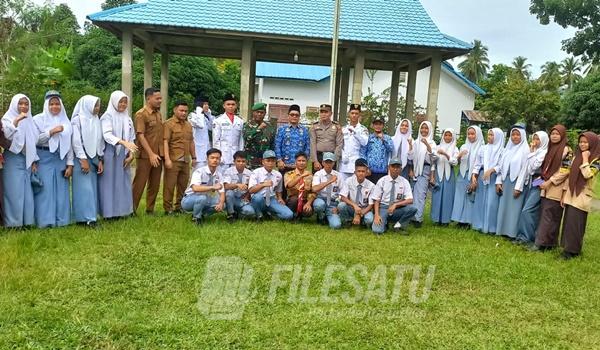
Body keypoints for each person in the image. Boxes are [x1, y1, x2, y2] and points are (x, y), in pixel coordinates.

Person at [32, 90, 73, 228]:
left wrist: (70, 163)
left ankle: (62, 221)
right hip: (44, 156)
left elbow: (70, 145)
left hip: (60, 158)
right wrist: (51, 132)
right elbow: (34, 140)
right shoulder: (38, 119)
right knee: (45, 189)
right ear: (46, 105)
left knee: (62, 190)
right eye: (51, 104)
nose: (55, 107)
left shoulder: (66, 121)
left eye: (57, 104)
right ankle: (45, 221)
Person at [557, 132, 599, 259]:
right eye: (581, 142)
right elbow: (569, 175)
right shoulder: (576, 156)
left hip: (582, 194)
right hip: (571, 192)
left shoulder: (597, 159)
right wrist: (564, 193)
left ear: (592, 143)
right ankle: (567, 248)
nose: (582, 144)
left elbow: (587, 175)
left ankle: (573, 251)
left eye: (585, 142)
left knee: (576, 223)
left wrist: (586, 159)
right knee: (568, 222)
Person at [531, 125, 571, 251]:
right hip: (545, 186)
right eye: (552, 134)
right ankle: (548, 243)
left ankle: (541, 244)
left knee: (551, 215)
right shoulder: (550, 148)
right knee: (545, 214)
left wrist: (550, 181)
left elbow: (565, 170)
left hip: (556, 187)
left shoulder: (567, 151)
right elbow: (545, 167)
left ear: (563, 135)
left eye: (557, 134)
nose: (554, 136)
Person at [99, 91, 138, 219]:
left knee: (123, 182)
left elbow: (132, 138)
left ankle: (123, 211)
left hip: (123, 154)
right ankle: (109, 213)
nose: (123, 104)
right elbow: (107, 135)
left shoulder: (127, 118)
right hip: (110, 153)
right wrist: (123, 142)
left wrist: (131, 155)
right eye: (120, 102)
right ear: (114, 102)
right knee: (109, 182)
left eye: (125, 102)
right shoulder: (107, 117)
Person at [1, 94, 38, 228]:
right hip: (12, 158)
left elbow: (34, 141)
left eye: (26, 104)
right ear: (14, 104)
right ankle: (13, 223)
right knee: (13, 191)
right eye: (20, 103)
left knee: (26, 191)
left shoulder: (30, 120)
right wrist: (16, 120)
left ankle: (26, 222)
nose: (23, 106)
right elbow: (6, 135)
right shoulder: (7, 118)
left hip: (26, 159)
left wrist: (33, 160)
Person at [71, 95, 104, 226]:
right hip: (81, 158)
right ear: (87, 105)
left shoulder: (96, 119)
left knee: (91, 188)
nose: (97, 108)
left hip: (94, 157)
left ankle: (89, 217)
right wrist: (82, 158)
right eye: (95, 105)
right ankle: (86, 219)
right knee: (84, 189)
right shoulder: (77, 120)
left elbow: (100, 140)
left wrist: (100, 158)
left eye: (98, 105)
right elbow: (76, 141)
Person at [132, 87, 164, 215]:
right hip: (145, 155)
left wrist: (158, 154)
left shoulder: (158, 114)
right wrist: (151, 154)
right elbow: (140, 135)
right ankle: (132, 209)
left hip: (158, 154)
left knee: (155, 184)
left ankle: (150, 209)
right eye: (157, 98)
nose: (160, 101)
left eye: (160, 98)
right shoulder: (141, 114)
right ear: (148, 98)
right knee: (139, 183)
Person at [514, 131, 549, 244]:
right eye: (534, 138)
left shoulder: (544, 152)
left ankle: (526, 237)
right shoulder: (536, 151)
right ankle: (522, 236)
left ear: (543, 140)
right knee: (528, 211)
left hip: (539, 183)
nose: (535, 141)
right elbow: (528, 169)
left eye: (538, 139)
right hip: (532, 182)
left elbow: (534, 166)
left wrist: (532, 152)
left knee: (527, 211)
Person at [495, 126, 530, 239]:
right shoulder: (507, 149)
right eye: (513, 134)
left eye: (517, 134)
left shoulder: (525, 150)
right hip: (506, 181)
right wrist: (498, 181)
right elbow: (501, 166)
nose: (515, 137)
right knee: (504, 207)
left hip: (516, 183)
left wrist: (518, 187)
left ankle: (512, 232)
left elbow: (525, 170)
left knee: (514, 208)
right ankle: (502, 230)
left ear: (522, 136)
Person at [163, 101, 196, 215]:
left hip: (186, 160)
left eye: (186, 111)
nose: (183, 113)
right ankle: (168, 209)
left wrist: (194, 157)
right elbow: (165, 142)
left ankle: (179, 206)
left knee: (183, 185)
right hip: (173, 159)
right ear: (175, 110)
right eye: (181, 110)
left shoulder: (188, 125)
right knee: (170, 185)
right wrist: (167, 159)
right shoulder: (168, 124)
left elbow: (191, 141)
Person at [471, 128, 505, 234]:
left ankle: (491, 227)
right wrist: (473, 176)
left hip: (494, 178)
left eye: (492, 135)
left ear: (498, 137)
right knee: (481, 201)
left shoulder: (502, 151)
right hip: (482, 177)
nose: (489, 137)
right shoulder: (483, 148)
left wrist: (491, 170)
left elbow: (502, 166)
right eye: (488, 135)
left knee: (492, 203)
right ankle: (479, 224)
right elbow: (477, 164)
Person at [371, 158, 418, 234]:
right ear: (389, 167)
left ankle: (398, 226)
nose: (395, 169)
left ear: (401, 169)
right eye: (393, 167)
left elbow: (410, 200)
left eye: (398, 167)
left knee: (413, 209)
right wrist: (376, 215)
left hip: (397, 209)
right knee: (377, 231)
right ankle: (384, 223)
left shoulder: (404, 182)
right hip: (384, 207)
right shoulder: (382, 181)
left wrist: (396, 205)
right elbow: (376, 199)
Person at [181, 148, 225, 225]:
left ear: (220, 160)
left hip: (205, 198)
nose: (215, 160)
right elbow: (195, 188)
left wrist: (221, 203)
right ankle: (196, 218)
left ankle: (201, 214)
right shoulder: (199, 171)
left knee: (223, 204)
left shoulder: (219, 174)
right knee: (202, 198)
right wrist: (213, 187)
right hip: (189, 199)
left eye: (217, 158)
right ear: (207, 159)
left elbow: (222, 192)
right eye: (212, 158)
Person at [451, 125, 483, 227]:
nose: (470, 136)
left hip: (473, 175)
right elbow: (458, 162)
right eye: (468, 134)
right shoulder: (464, 146)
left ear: (477, 134)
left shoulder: (481, 147)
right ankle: (459, 220)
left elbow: (480, 164)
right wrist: (459, 156)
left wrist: (475, 176)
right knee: (460, 197)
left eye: (473, 134)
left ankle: (468, 221)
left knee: (470, 197)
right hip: (462, 174)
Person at [248, 150, 294, 221]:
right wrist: (263, 184)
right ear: (263, 162)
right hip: (259, 199)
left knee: (289, 215)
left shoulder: (278, 175)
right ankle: (259, 215)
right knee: (258, 197)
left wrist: (279, 198)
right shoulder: (256, 172)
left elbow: (278, 190)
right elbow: (251, 190)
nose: (270, 163)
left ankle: (270, 214)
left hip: (271, 199)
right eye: (268, 161)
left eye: (272, 161)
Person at [411, 121, 437, 227]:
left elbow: (434, 159)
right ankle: (411, 216)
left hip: (425, 170)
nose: (424, 130)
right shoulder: (415, 142)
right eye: (422, 128)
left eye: (426, 128)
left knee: (420, 195)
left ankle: (418, 219)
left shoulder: (432, 143)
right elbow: (411, 157)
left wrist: (427, 145)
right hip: (414, 170)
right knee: (412, 195)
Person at [431, 128, 458, 225]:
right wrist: (432, 176)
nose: (447, 137)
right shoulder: (438, 147)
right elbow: (433, 162)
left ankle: (446, 220)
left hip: (449, 176)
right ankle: (436, 219)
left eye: (449, 135)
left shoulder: (455, 148)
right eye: (446, 135)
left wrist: (446, 154)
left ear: (453, 136)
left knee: (447, 197)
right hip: (438, 174)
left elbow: (454, 162)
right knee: (437, 196)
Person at [338, 158, 375, 228]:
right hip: (352, 207)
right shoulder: (348, 181)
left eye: (363, 171)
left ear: (367, 172)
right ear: (355, 172)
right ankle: (347, 221)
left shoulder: (371, 185)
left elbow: (371, 205)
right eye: (359, 171)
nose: (361, 173)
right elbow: (343, 197)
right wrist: (354, 206)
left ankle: (362, 222)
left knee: (369, 219)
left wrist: (359, 214)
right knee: (341, 205)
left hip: (365, 209)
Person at [311, 152, 345, 229]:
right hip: (321, 199)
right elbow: (314, 189)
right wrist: (329, 181)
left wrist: (338, 205)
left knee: (336, 226)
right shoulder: (318, 174)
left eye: (331, 162)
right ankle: (320, 216)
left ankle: (329, 216)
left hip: (333, 202)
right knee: (319, 205)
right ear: (323, 163)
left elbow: (343, 192)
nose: (328, 164)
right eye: (326, 162)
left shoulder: (339, 175)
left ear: (334, 163)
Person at [275, 104, 310, 175]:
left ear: (299, 116)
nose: (294, 116)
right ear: (288, 115)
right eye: (292, 114)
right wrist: (279, 160)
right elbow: (277, 145)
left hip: (299, 165)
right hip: (284, 165)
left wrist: (304, 161)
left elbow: (307, 147)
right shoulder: (282, 129)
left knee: (299, 185)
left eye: (297, 115)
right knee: (284, 185)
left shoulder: (304, 130)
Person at [213, 93, 244, 171]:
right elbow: (216, 140)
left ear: (236, 106)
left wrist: (240, 155)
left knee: (234, 178)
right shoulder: (218, 120)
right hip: (223, 155)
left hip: (235, 155)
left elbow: (241, 140)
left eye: (233, 104)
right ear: (224, 106)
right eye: (228, 104)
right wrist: (218, 156)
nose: (231, 106)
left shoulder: (240, 121)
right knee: (222, 179)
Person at [360, 115, 394, 184]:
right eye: (376, 124)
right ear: (373, 125)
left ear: (383, 125)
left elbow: (390, 149)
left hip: (382, 171)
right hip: (370, 171)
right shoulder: (368, 138)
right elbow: (362, 153)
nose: (378, 126)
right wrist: (366, 167)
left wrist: (383, 139)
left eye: (380, 124)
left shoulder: (387, 138)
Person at [310, 104, 343, 173]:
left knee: (331, 180)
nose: (323, 114)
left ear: (331, 113)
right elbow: (312, 144)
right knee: (317, 180)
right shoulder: (314, 126)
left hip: (331, 157)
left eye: (326, 112)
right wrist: (315, 161)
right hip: (318, 157)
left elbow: (339, 144)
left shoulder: (336, 126)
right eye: (322, 112)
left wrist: (334, 160)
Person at [223, 151, 255, 222]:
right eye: (238, 161)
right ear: (234, 161)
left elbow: (251, 188)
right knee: (229, 193)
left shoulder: (250, 173)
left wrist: (247, 196)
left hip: (243, 199)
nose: (241, 163)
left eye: (243, 161)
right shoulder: (228, 171)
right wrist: (237, 185)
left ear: (246, 162)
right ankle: (230, 214)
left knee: (250, 212)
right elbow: (226, 186)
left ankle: (237, 213)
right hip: (232, 198)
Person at [339, 104, 369, 180]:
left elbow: (364, 142)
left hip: (356, 162)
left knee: (354, 187)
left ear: (359, 115)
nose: (354, 115)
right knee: (343, 186)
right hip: (344, 163)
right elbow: (339, 144)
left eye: (356, 113)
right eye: (352, 113)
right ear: (349, 114)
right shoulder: (343, 128)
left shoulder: (363, 129)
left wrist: (356, 133)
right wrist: (342, 154)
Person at [243, 102, 276, 170]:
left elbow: (272, 143)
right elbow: (247, 138)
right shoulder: (247, 125)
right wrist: (258, 129)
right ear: (253, 112)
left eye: (262, 112)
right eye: (257, 112)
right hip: (250, 160)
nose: (259, 114)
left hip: (265, 161)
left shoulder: (269, 126)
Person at [284, 152, 315, 220]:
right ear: (295, 162)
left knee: (308, 212)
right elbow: (289, 185)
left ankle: (300, 215)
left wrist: (309, 203)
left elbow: (314, 191)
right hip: (293, 200)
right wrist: (302, 176)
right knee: (294, 200)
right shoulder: (288, 174)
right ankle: (293, 214)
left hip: (305, 200)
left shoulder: (310, 176)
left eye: (303, 161)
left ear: (306, 163)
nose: (301, 163)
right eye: (299, 161)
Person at [188, 95, 213, 169]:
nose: (207, 106)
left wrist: (209, 115)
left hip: (206, 149)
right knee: (197, 173)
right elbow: (200, 125)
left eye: (207, 104)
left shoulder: (205, 117)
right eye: (204, 104)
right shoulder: (192, 115)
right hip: (197, 151)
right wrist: (199, 112)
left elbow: (212, 128)